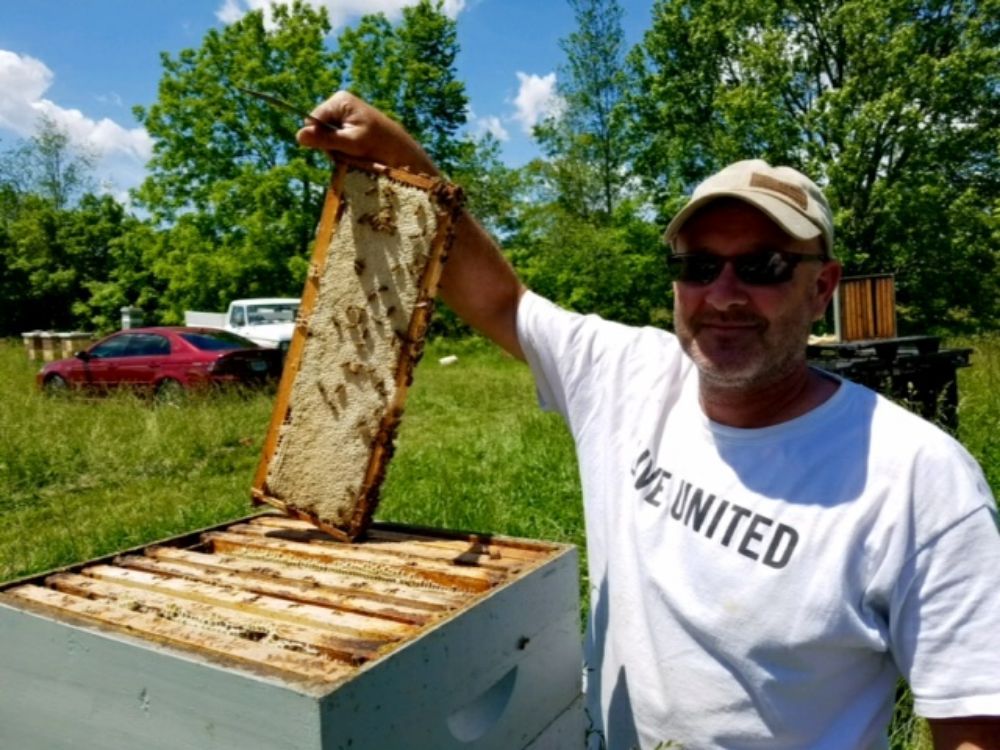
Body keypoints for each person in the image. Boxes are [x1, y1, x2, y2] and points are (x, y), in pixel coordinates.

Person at [298, 92, 1000, 749]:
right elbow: (501, 301)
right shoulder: (627, 372)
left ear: (822, 288)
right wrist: (397, 156)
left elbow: (975, 726)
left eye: (762, 266)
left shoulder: (919, 480)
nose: (723, 294)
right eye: (699, 266)